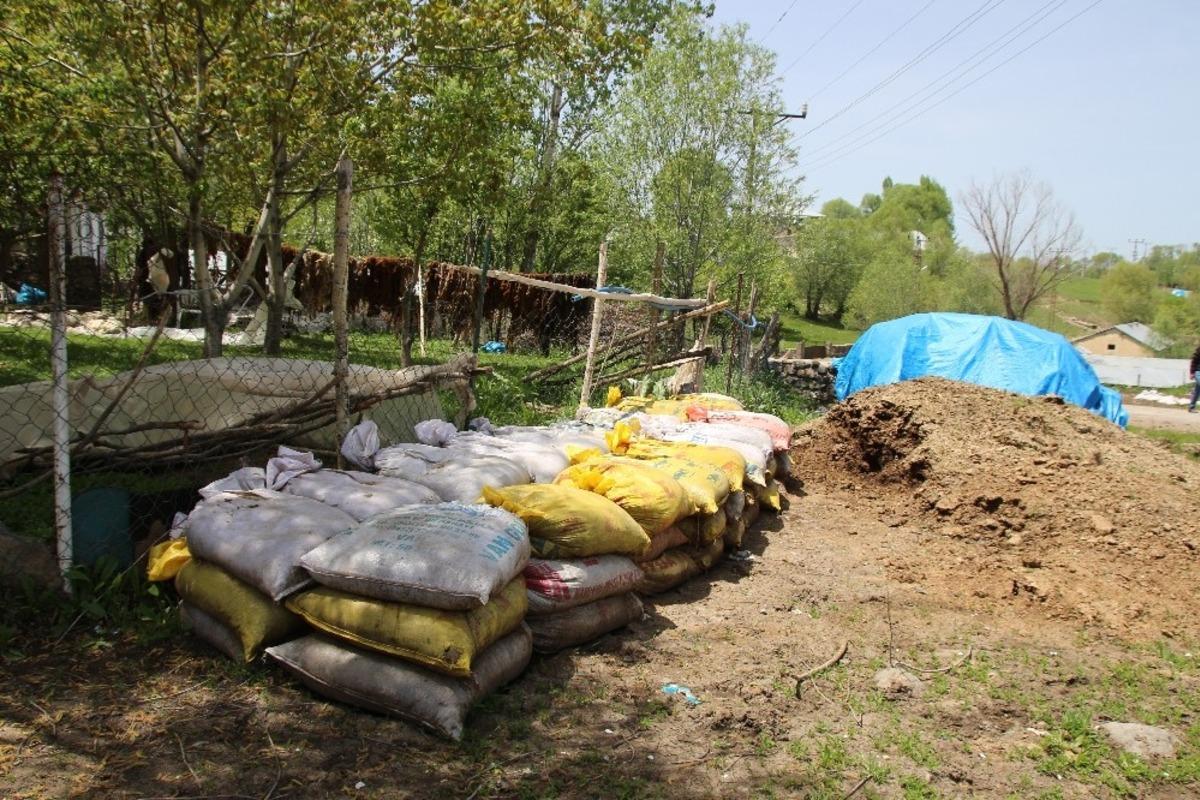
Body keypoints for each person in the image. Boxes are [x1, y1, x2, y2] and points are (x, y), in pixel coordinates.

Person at [1191, 344, 1200, 412]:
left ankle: (1191, 407)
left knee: (1197, 391)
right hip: (1198, 372)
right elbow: (1193, 362)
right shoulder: (1198, 350)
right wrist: (1191, 373)